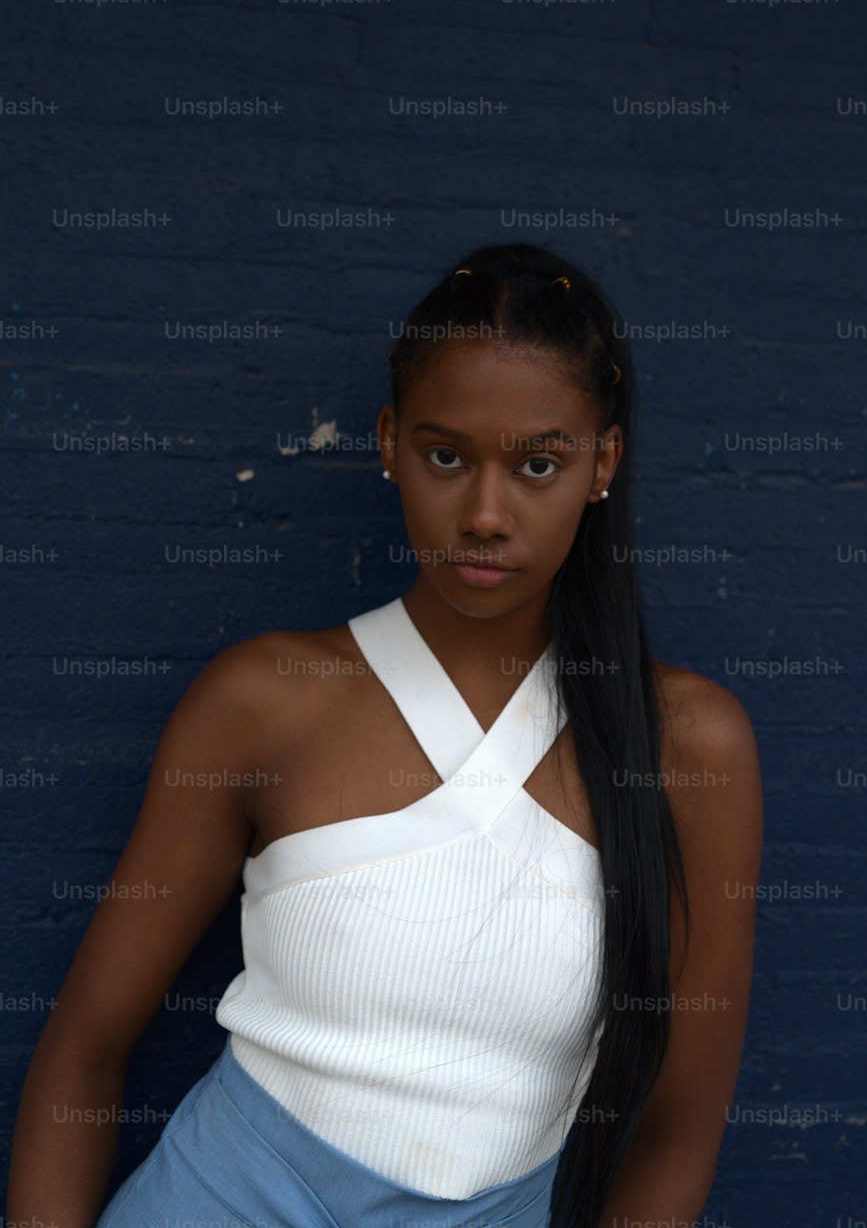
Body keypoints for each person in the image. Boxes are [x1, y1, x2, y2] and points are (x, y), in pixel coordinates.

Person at [8, 242, 763, 1228]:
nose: (484, 514)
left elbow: (675, 1131)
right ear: (388, 439)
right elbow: (87, 1046)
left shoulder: (688, 745)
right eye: (445, 455)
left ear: (602, 462)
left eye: (538, 463)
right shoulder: (263, 700)